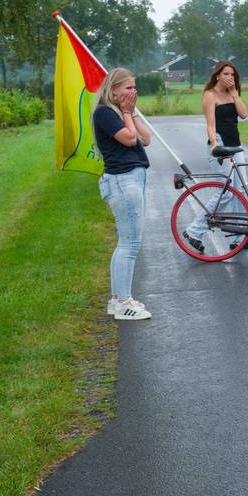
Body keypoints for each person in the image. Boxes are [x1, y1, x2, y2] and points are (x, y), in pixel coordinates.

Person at [94, 67, 152, 321]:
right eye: (128, 87)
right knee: (130, 244)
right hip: (122, 181)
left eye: (134, 86)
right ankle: (124, 303)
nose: (133, 91)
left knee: (127, 242)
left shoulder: (120, 112)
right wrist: (127, 112)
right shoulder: (105, 113)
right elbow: (130, 140)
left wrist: (132, 111)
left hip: (131, 179)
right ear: (114, 90)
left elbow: (146, 138)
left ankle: (118, 299)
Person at [182, 60, 248, 253]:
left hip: (236, 147)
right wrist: (214, 143)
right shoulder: (210, 95)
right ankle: (194, 231)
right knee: (227, 192)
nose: (230, 78)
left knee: (241, 192)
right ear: (218, 75)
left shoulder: (232, 94)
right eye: (227, 74)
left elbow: (244, 114)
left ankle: (239, 238)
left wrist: (235, 95)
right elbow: (211, 124)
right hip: (220, 146)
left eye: (233, 75)